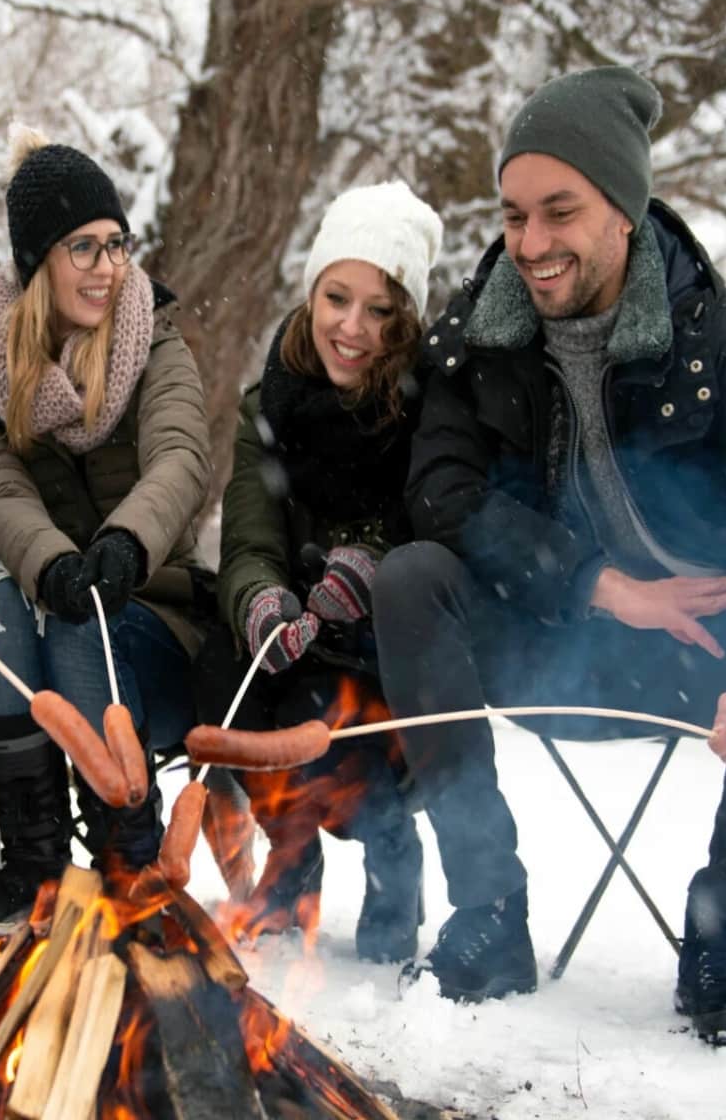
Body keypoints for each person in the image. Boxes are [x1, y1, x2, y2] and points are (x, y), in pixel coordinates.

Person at [379, 66, 726, 1049]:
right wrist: (598, 585)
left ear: (623, 210)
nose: (529, 244)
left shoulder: (705, 336)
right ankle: (489, 909)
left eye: (558, 212)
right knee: (411, 580)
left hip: (701, 656)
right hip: (548, 639)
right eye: (514, 214)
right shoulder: (476, 333)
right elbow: (443, 493)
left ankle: (720, 936)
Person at [0, 128, 212, 934]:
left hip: (158, 620)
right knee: (0, 598)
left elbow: (181, 455)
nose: (107, 267)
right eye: (82, 248)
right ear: (37, 264)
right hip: (51, 600)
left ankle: (132, 858)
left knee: (82, 624)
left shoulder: (155, 337)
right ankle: (34, 860)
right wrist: (54, 563)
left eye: (116, 245)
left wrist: (126, 543)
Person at [200, 182, 443, 964]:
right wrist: (262, 599)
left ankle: (393, 859)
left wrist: (368, 565)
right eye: (337, 297)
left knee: (335, 726)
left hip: (388, 649)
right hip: (291, 632)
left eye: (380, 309)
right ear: (311, 295)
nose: (352, 326)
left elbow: (436, 520)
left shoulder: (428, 410)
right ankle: (290, 866)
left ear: (405, 320)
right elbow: (248, 536)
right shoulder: (269, 402)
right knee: (235, 684)